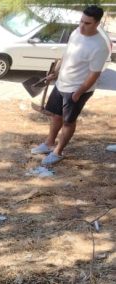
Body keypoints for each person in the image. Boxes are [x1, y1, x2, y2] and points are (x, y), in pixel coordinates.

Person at [31, 6, 110, 166]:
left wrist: (79, 92)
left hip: (77, 89)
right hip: (62, 84)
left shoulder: (99, 46)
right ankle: (49, 143)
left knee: (68, 122)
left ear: (97, 24)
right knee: (55, 115)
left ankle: (58, 152)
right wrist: (56, 72)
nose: (82, 26)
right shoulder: (76, 33)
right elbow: (66, 54)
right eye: (81, 21)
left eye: (87, 23)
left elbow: (94, 74)